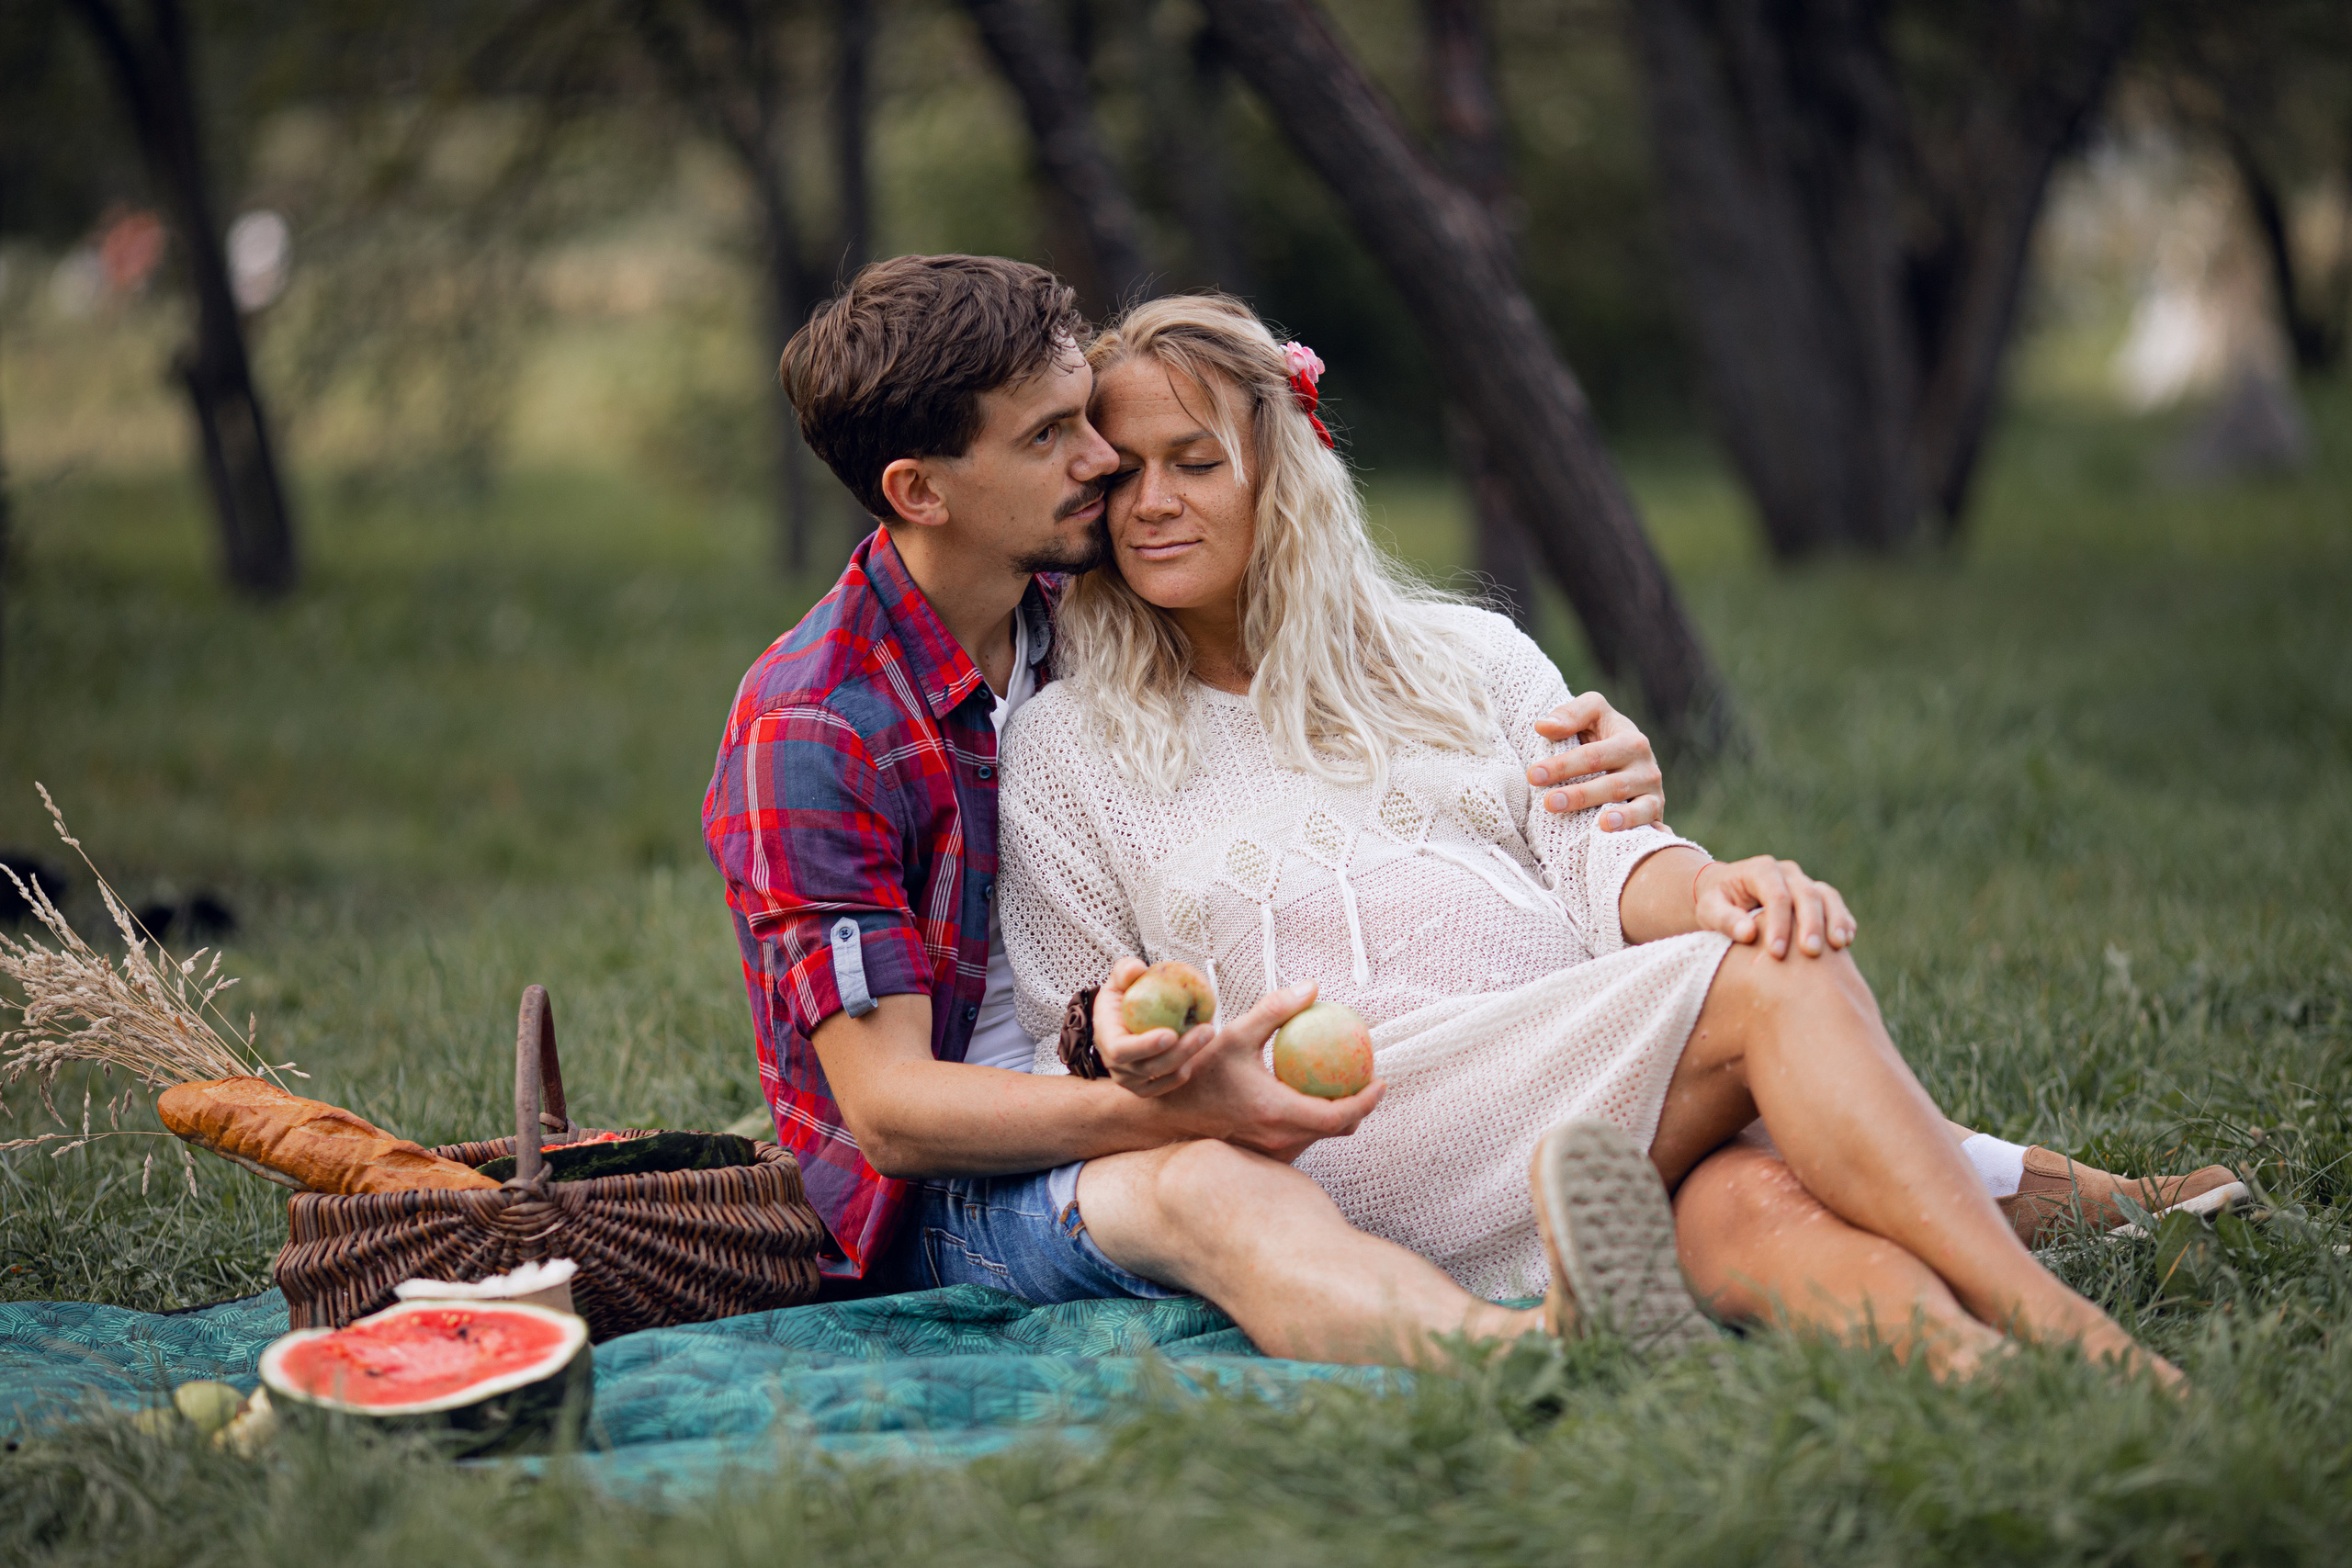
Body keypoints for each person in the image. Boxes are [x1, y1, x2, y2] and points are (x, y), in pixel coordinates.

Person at [703, 255, 2228, 1378]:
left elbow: (1595, 842)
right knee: (1761, 996)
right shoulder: (935, 728)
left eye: (1178, 460)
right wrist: (1166, 1077)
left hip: (1521, 1063)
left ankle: (1985, 1373)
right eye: (1072, 445)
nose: (1118, 481)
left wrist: (1690, 855)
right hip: (1224, 1145)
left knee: (1739, 1196)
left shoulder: (1430, 650)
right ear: (925, 490)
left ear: (1279, 472)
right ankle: (2062, 1306)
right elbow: (963, 1075)